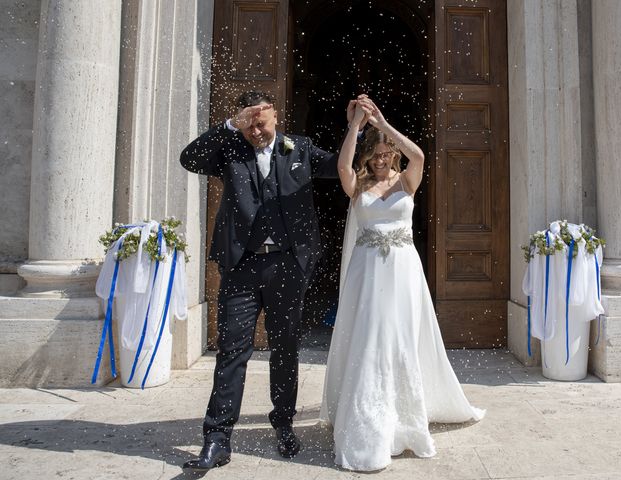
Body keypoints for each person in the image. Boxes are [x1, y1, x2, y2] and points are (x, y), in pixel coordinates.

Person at [179, 91, 365, 471]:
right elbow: (190, 159)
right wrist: (231, 125)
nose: (257, 131)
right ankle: (217, 438)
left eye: (262, 122)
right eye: (250, 124)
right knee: (232, 351)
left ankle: (283, 424)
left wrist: (356, 129)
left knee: (285, 349)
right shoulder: (230, 148)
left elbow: (340, 166)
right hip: (241, 266)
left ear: (276, 116)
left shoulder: (300, 149)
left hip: (288, 267)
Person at [320, 97, 485, 471]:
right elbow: (343, 164)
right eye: (374, 154)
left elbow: (420, 155)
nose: (380, 160)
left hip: (403, 273)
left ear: (393, 153)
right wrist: (355, 128)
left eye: (385, 153)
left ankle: (405, 421)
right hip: (367, 273)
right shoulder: (357, 184)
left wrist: (383, 123)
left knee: (401, 338)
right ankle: (367, 425)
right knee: (371, 338)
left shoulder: (408, 180)